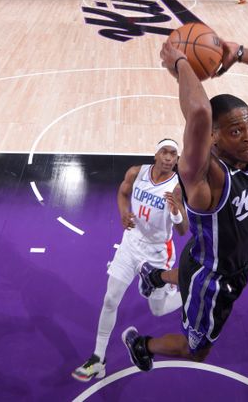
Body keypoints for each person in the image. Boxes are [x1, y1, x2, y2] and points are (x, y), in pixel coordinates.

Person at [123, 34, 248, 370]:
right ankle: (142, 345)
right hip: (214, 278)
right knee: (197, 349)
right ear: (213, 137)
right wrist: (180, 63)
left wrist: (242, 53)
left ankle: (155, 277)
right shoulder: (205, 180)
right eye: (235, 131)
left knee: (188, 268)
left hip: (217, 256)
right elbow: (200, 112)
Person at [72, 140, 187, 382]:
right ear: (155, 154)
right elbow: (123, 193)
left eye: (173, 154)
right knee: (110, 298)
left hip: (157, 253)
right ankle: (98, 358)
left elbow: (183, 230)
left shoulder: (177, 187)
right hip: (130, 244)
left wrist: (176, 211)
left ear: (177, 159)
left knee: (157, 310)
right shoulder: (137, 172)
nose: (168, 158)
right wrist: (124, 212)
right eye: (164, 152)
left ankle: (187, 292)